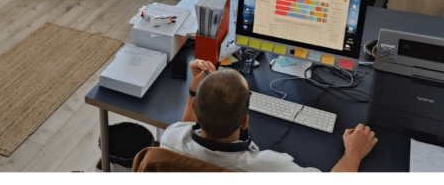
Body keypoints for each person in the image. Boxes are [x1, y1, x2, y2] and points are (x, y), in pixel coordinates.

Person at [159, 59, 378, 172]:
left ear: (195, 104)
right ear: (245, 120)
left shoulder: (169, 140)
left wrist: (194, 89)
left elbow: (184, 128)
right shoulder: (271, 168)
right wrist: (353, 154)